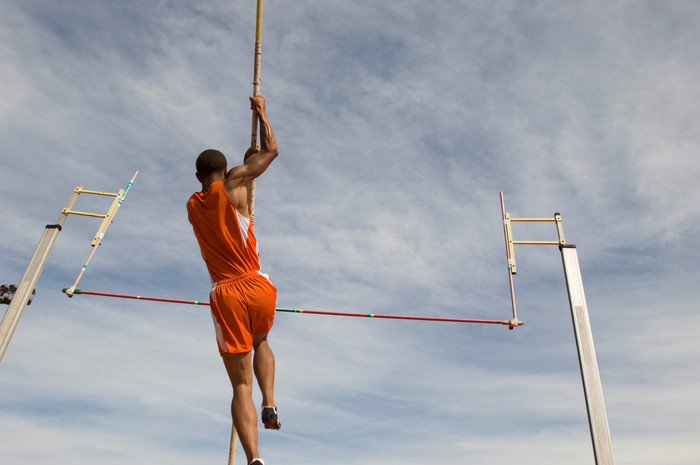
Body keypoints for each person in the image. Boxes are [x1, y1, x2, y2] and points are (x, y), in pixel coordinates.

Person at [187, 95, 280, 465]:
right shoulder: (237, 185)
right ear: (228, 169)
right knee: (263, 343)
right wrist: (261, 112)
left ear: (198, 176)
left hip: (226, 291)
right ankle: (270, 401)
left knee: (240, 384)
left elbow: (233, 182)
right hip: (257, 285)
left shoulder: (193, 205)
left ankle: (254, 458)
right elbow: (271, 152)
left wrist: (245, 164)